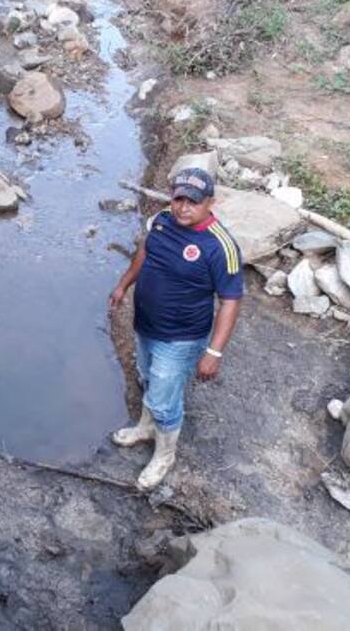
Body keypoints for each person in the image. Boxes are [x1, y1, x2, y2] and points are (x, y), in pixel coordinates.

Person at [107, 167, 244, 490]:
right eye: (178, 198)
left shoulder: (220, 246)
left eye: (193, 202)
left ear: (210, 202)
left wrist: (213, 352)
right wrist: (123, 285)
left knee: (165, 400)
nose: (183, 207)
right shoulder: (161, 220)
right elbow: (145, 251)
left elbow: (230, 301)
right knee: (148, 379)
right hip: (146, 326)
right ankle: (145, 427)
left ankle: (165, 455)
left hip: (181, 338)